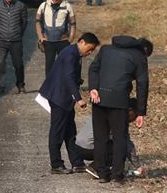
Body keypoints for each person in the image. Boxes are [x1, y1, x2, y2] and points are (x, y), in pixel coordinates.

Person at [88, 36, 152, 183]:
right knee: (120, 138)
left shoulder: (105, 49)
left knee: (100, 138)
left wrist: (93, 88)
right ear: (144, 50)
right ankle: (117, 174)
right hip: (119, 102)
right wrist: (141, 112)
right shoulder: (138, 56)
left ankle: (102, 173)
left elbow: (93, 69)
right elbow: (142, 84)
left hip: (99, 99)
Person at [39, 32, 100, 174]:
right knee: (57, 132)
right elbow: (68, 77)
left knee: (70, 132)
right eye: (89, 49)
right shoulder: (70, 54)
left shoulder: (74, 53)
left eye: (92, 50)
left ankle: (77, 162)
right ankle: (56, 164)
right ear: (82, 42)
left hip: (65, 99)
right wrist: (78, 97)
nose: (89, 53)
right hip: (59, 97)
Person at [74, 98, 144, 179]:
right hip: (88, 148)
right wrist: (138, 166)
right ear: (129, 110)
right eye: (135, 116)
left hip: (77, 147)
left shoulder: (104, 110)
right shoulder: (118, 118)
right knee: (121, 148)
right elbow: (127, 145)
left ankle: (96, 165)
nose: (134, 120)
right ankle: (95, 167)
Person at [0, 0, 28, 96]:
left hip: (16, 41)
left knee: (18, 64)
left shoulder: (21, 6)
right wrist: (0, 33)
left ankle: (20, 85)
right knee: (0, 64)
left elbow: (24, 22)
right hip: (1, 41)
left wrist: (17, 33)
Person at [35, 0, 76, 77]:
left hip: (63, 41)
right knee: (49, 65)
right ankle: (49, 87)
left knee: (64, 64)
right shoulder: (43, 6)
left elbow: (73, 24)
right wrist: (41, 37)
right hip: (48, 42)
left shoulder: (67, 7)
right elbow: (37, 21)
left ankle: (63, 86)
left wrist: (70, 39)